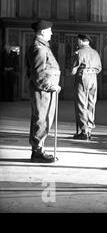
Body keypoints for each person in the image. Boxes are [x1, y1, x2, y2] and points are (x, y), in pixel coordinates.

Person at [26, 20, 61, 163]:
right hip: (43, 90)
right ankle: (37, 152)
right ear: (42, 32)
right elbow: (38, 73)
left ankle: (39, 149)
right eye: (49, 30)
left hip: (44, 90)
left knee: (43, 119)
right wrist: (50, 86)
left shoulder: (42, 46)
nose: (51, 33)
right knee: (41, 119)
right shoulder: (39, 48)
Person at [71, 34, 102, 140]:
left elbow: (73, 70)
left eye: (78, 41)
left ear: (80, 41)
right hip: (93, 78)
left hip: (82, 77)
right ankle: (89, 129)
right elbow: (99, 68)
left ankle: (84, 131)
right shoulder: (95, 53)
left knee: (81, 103)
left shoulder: (78, 52)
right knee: (91, 103)